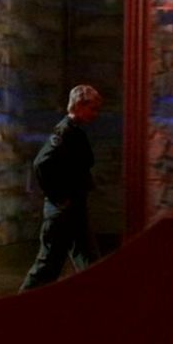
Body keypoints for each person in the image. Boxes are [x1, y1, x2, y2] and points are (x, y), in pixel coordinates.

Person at [19, 84, 103, 292]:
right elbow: (41, 164)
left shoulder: (73, 131)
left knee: (87, 260)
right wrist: (58, 196)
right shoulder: (65, 132)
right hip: (64, 209)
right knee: (49, 263)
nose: (95, 114)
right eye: (92, 108)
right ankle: (22, 303)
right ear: (79, 105)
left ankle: (97, 299)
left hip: (72, 207)